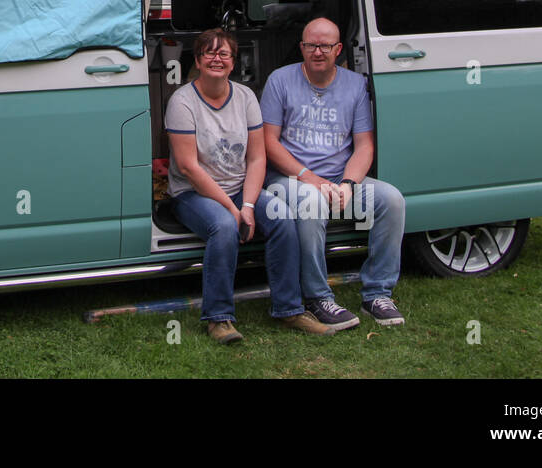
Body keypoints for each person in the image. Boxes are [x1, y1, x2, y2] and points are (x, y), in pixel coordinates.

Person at [166, 28, 332, 343]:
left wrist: (249, 205)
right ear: (198, 61)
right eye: (209, 53)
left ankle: (289, 310)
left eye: (224, 53)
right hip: (193, 192)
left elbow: (257, 160)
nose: (217, 58)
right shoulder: (182, 101)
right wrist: (233, 209)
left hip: (240, 187)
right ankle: (219, 319)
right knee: (225, 226)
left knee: (283, 218)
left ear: (233, 61)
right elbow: (188, 166)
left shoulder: (245, 97)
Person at [260, 18, 407, 328]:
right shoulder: (280, 80)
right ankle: (318, 297)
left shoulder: (355, 84)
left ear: (338, 49)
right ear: (301, 47)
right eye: (310, 45)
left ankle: (377, 293)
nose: (317, 51)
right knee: (311, 202)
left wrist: (348, 184)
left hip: (340, 179)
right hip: (287, 180)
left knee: (391, 200)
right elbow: (268, 143)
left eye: (325, 46)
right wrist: (311, 179)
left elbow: (364, 146)